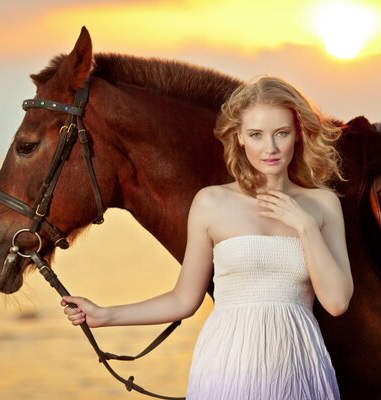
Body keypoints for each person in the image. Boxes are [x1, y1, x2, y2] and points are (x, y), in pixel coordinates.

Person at [62, 76, 353, 399]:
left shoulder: (322, 205)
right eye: (256, 135)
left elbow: (337, 302)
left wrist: (305, 227)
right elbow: (184, 300)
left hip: (299, 364)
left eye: (281, 133)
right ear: (239, 137)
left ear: (297, 133)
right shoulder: (211, 203)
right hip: (227, 362)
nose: (270, 148)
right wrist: (104, 314)